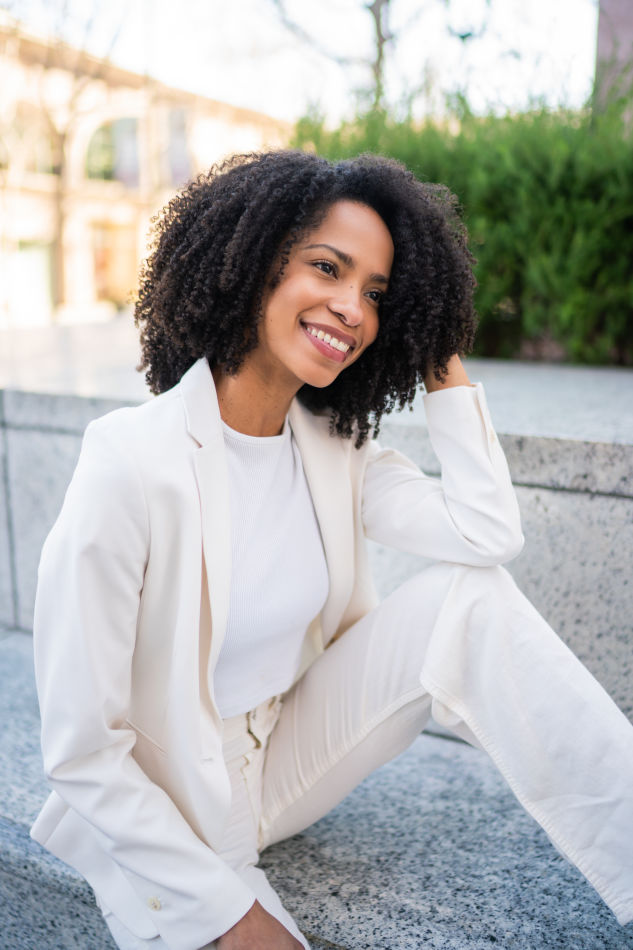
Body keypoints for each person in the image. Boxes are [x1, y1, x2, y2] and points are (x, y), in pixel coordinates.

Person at [31, 150, 633, 950]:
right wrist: (231, 914)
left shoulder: (332, 446)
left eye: (377, 294)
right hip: (174, 800)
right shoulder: (132, 461)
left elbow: (485, 534)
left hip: (285, 753)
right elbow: (82, 751)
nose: (352, 308)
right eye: (326, 267)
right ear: (251, 264)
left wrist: (437, 352)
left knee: (470, 597)